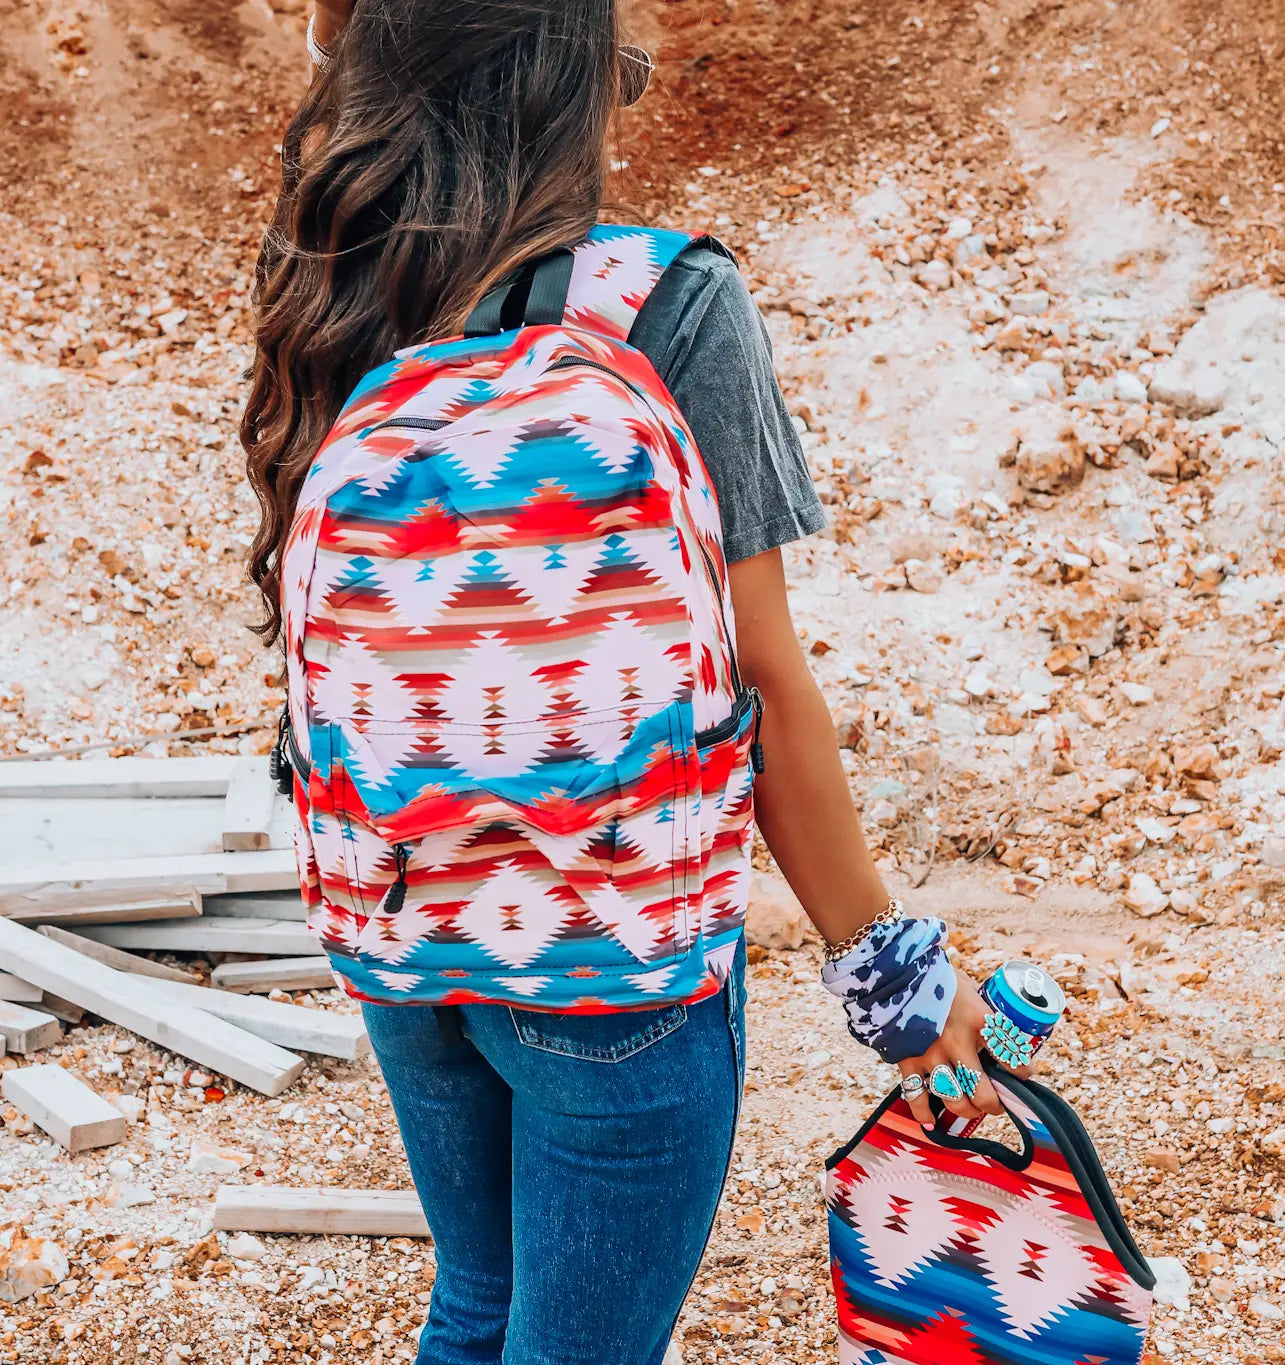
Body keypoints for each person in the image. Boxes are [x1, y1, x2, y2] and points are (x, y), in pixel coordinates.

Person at [240, 4, 1021, 1363]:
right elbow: (760, 679)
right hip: (612, 965)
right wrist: (892, 983)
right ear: (570, 77)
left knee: (477, 1305)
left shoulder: (330, 274)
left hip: (404, 936)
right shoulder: (668, 301)